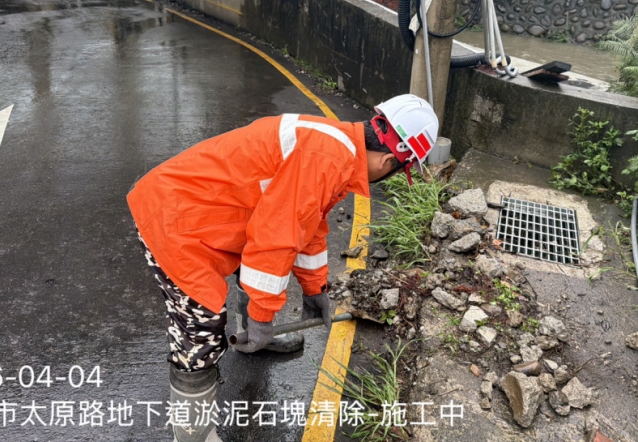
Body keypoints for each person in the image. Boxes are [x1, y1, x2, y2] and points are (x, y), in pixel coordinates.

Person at [127, 94, 438, 442]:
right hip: (173, 220)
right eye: (400, 171)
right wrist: (263, 314)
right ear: (389, 160)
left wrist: (314, 288)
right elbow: (275, 238)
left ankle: (252, 333)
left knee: (257, 259)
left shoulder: (337, 147)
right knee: (201, 330)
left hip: (202, 208)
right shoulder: (326, 160)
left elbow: (308, 226)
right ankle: (192, 434)